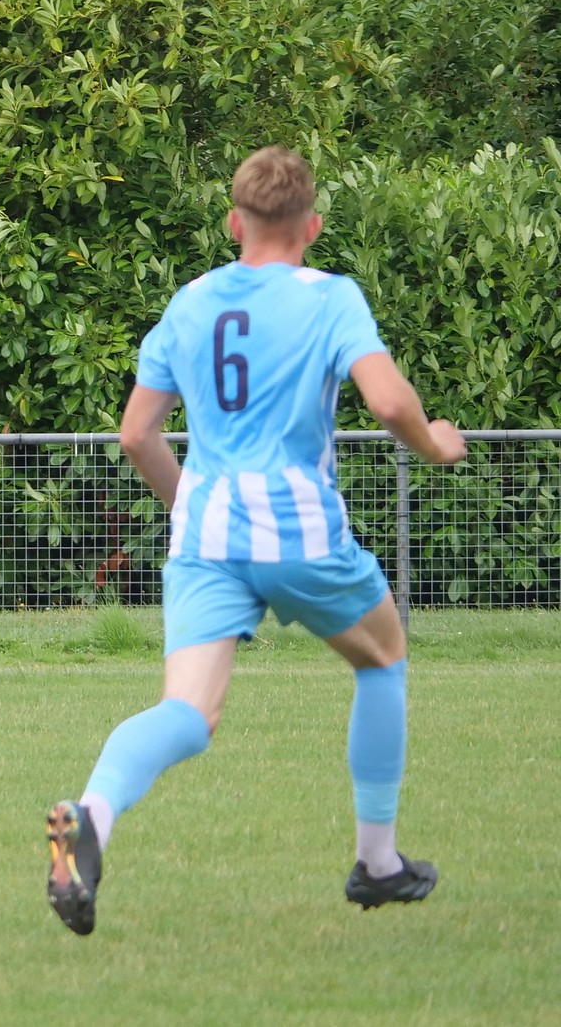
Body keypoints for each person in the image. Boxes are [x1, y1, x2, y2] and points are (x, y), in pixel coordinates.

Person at [43, 146, 466, 936]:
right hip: (296, 522)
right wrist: (437, 444)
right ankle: (377, 861)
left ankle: (90, 809)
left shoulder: (191, 301)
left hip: (205, 531)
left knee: (188, 711)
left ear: (235, 221)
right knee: (383, 656)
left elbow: (138, 433)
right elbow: (385, 398)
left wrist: (190, 507)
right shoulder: (331, 297)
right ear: (312, 225)